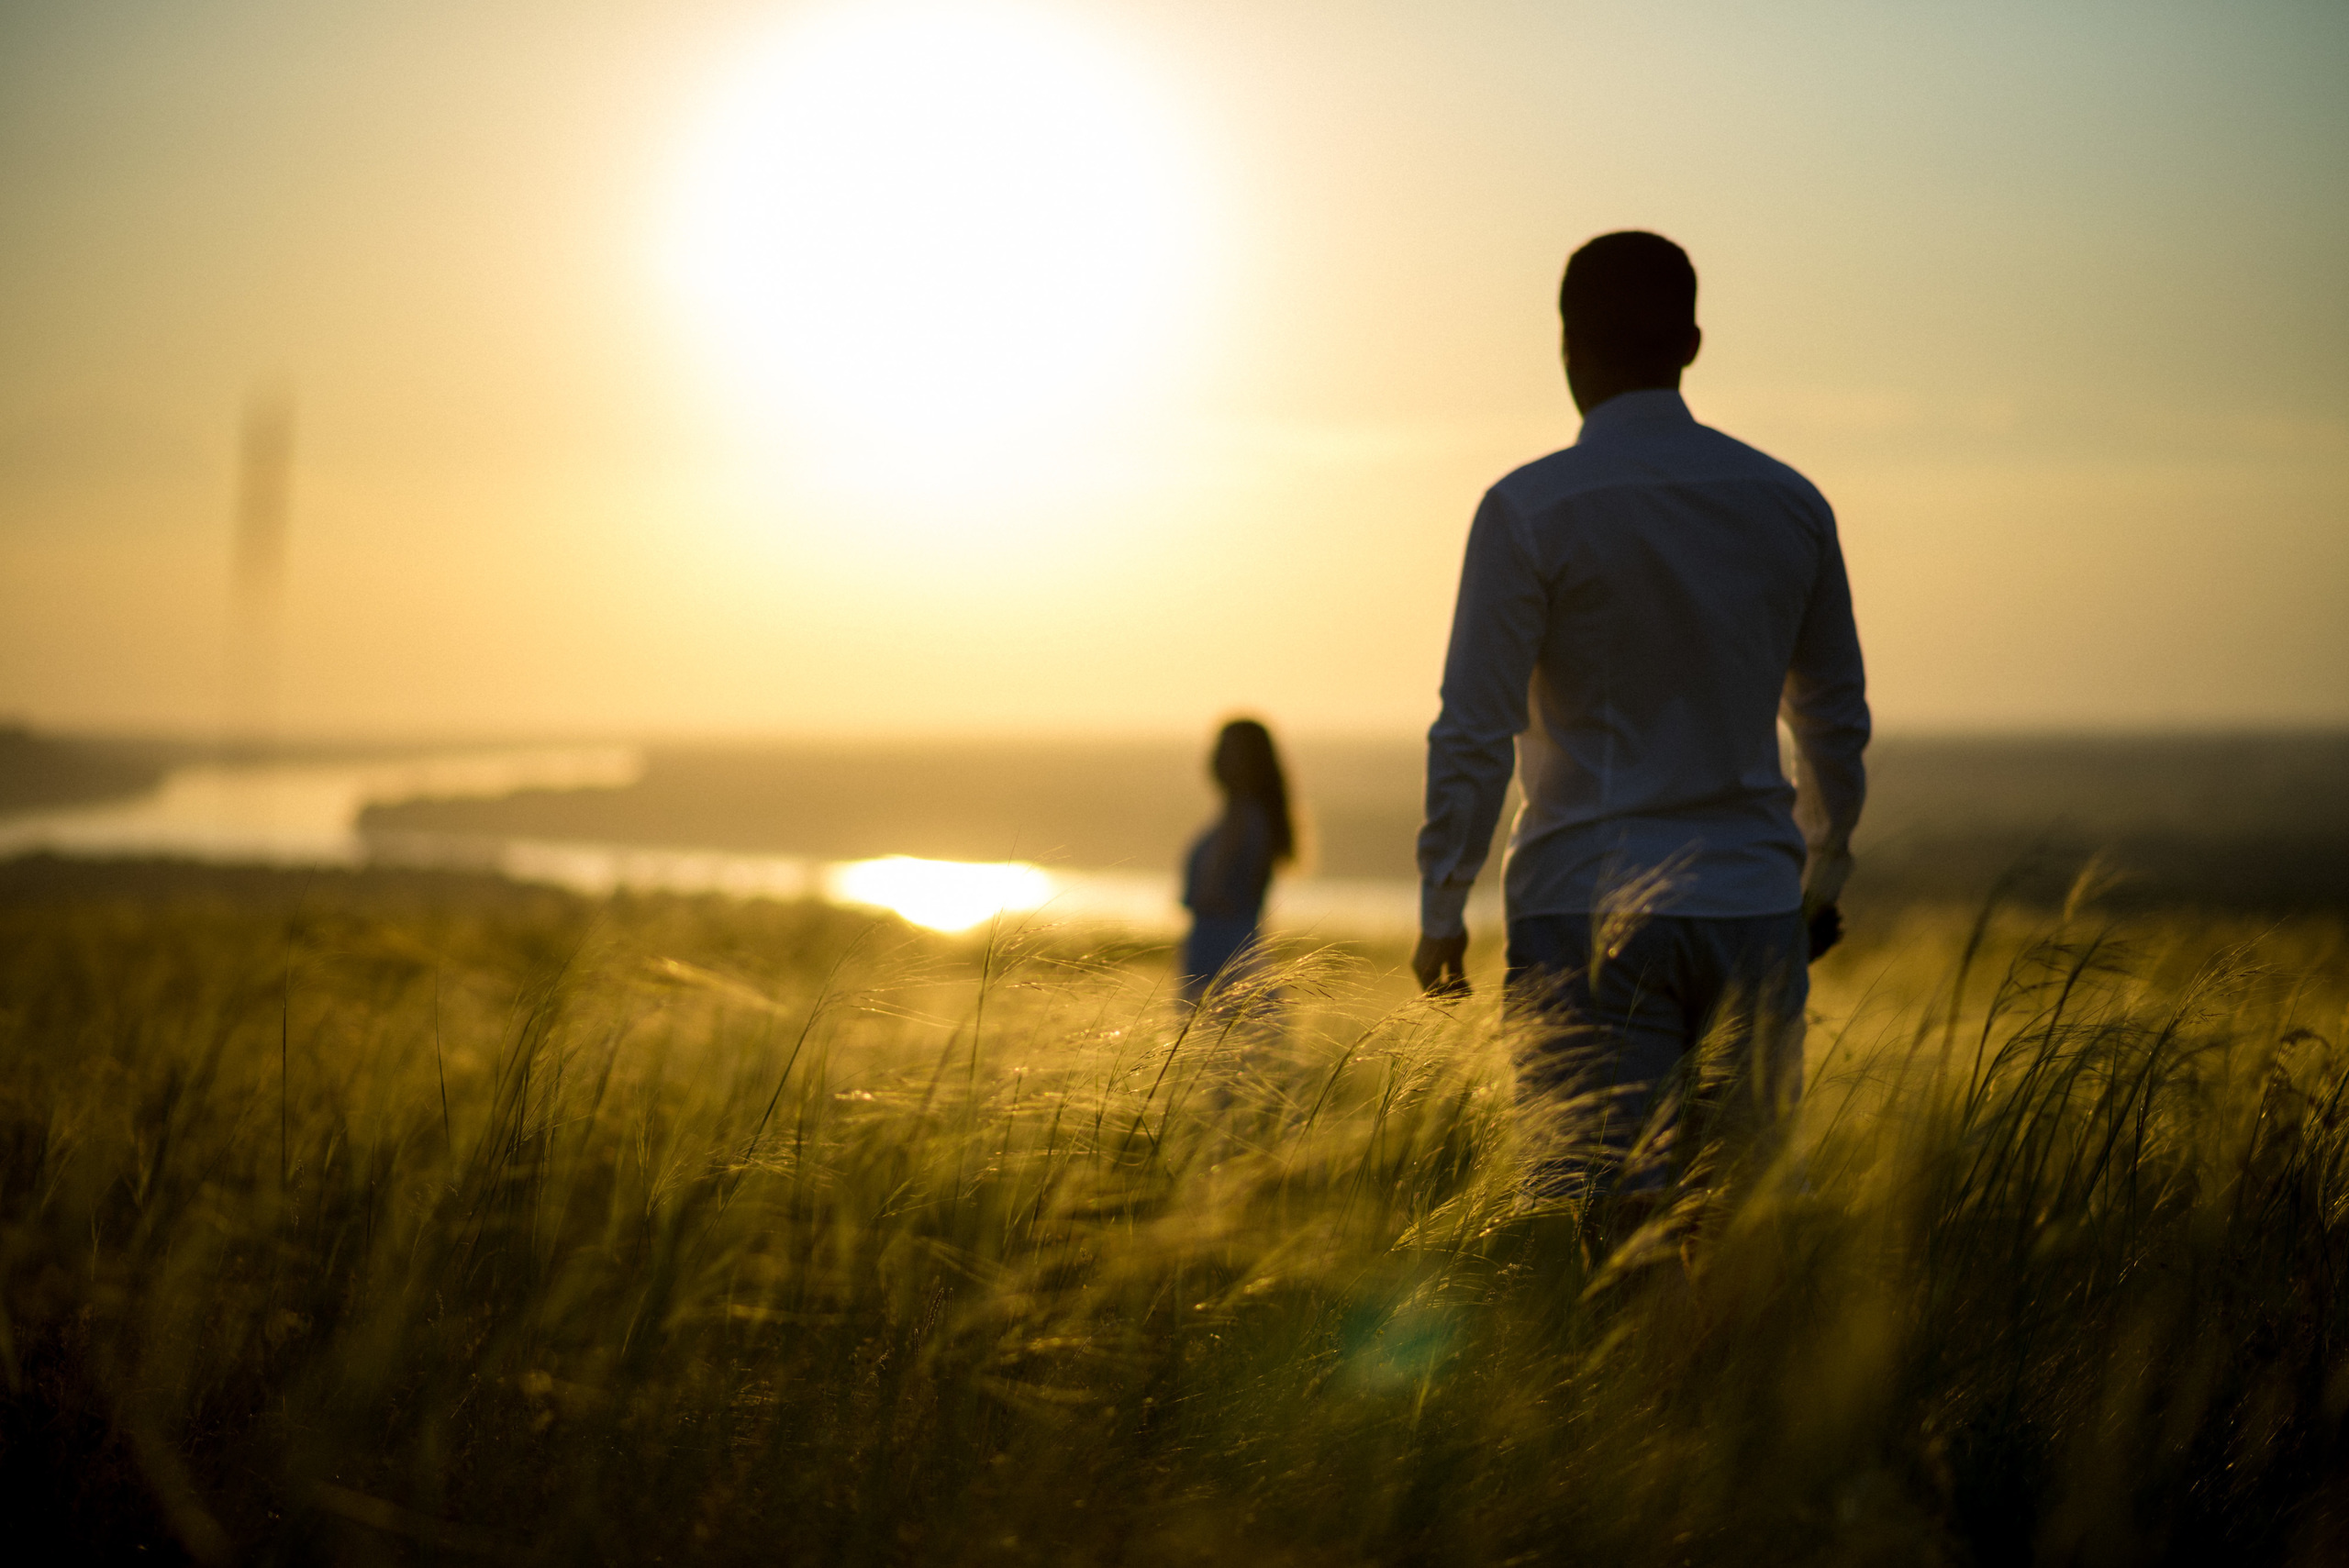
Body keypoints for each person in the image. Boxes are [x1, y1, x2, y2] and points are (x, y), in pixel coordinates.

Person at [1413, 230, 1868, 1201]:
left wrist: (1444, 898)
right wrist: (1819, 874)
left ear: (1568, 344)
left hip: (1582, 902)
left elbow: (1473, 727)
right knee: (1739, 1224)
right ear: (1692, 342)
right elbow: (1832, 713)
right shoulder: (1789, 502)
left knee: (1604, 1221)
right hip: (1750, 903)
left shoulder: (1527, 508)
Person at [1179, 718, 1296, 1006]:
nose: (1220, 757)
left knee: (1217, 1038)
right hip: (1225, 946)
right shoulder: (1245, 816)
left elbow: (1210, 893)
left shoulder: (1245, 818)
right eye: (1220, 747)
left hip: (1223, 948)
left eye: (1231, 749)